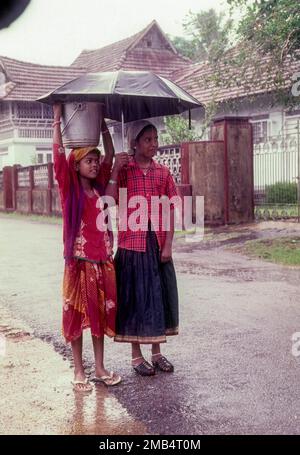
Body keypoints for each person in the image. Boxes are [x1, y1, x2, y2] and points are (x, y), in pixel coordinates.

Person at [52, 104, 125, 391]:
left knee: (99, 316)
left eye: (96, 160)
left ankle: (100, 368)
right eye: (89, 160)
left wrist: (103, 123)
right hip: (79, 263)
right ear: (76, 165)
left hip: (101, 262)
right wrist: (57, 120)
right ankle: (79, 370)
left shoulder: (98, 190)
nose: (95, 164)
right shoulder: (69, 191)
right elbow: (58, 157)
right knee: (76, 316)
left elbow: (110, 155)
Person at [106, 120, 179, 376]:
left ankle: (157, 353)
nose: (153, 144)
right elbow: (107, 201)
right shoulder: (126, 171)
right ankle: (136, 357)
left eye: (155, 139)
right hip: (131, 245)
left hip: (156, 243)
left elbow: (171, 210)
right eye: (147, 139)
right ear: (134, 143)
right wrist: (115, 170)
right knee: (135, 299)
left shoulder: (163, 173)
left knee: (157, 297)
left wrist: (168, 244)